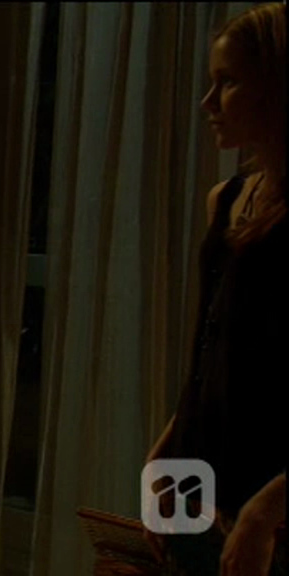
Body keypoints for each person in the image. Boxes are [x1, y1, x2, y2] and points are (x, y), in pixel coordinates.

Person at [143, 3, 286, 576]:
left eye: (227, 82)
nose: (207, 102)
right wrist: (166, 451)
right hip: (203, 485)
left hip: (270, 508)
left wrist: (267, 511)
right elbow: (212, 348)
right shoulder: (225, 200)